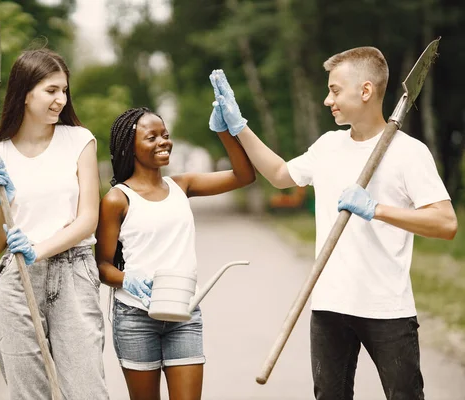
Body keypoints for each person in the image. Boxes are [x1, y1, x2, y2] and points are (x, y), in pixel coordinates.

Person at [209, 47, 458, 399]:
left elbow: (445, 222)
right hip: (329, 305)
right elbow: (281, 175)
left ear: (366, 91)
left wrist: (377, 209)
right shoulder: (328, 146)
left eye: (335, 90)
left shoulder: (409, 152)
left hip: (386, 307)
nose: (328, 100)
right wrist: (240, 127)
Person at [95, 106, 255, 399]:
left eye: (165, 135)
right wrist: (128, 279)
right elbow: (103, 265)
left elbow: (244, 175)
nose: (163, 142)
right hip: (135, 317)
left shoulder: (182, 185)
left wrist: (225, 131)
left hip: (184, 313)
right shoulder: (117, 200)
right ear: (130, 146)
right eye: (151, 137)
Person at [0, 48, 109, 399]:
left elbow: (87, 220)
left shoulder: (79, 140)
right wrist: (8, 197)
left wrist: (39, 249)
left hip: (73, 275)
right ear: (25, 92)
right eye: (51, 90)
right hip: (16, 282)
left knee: (86, 391)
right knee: (30, 394)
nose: (61, 100)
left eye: (64, 90)